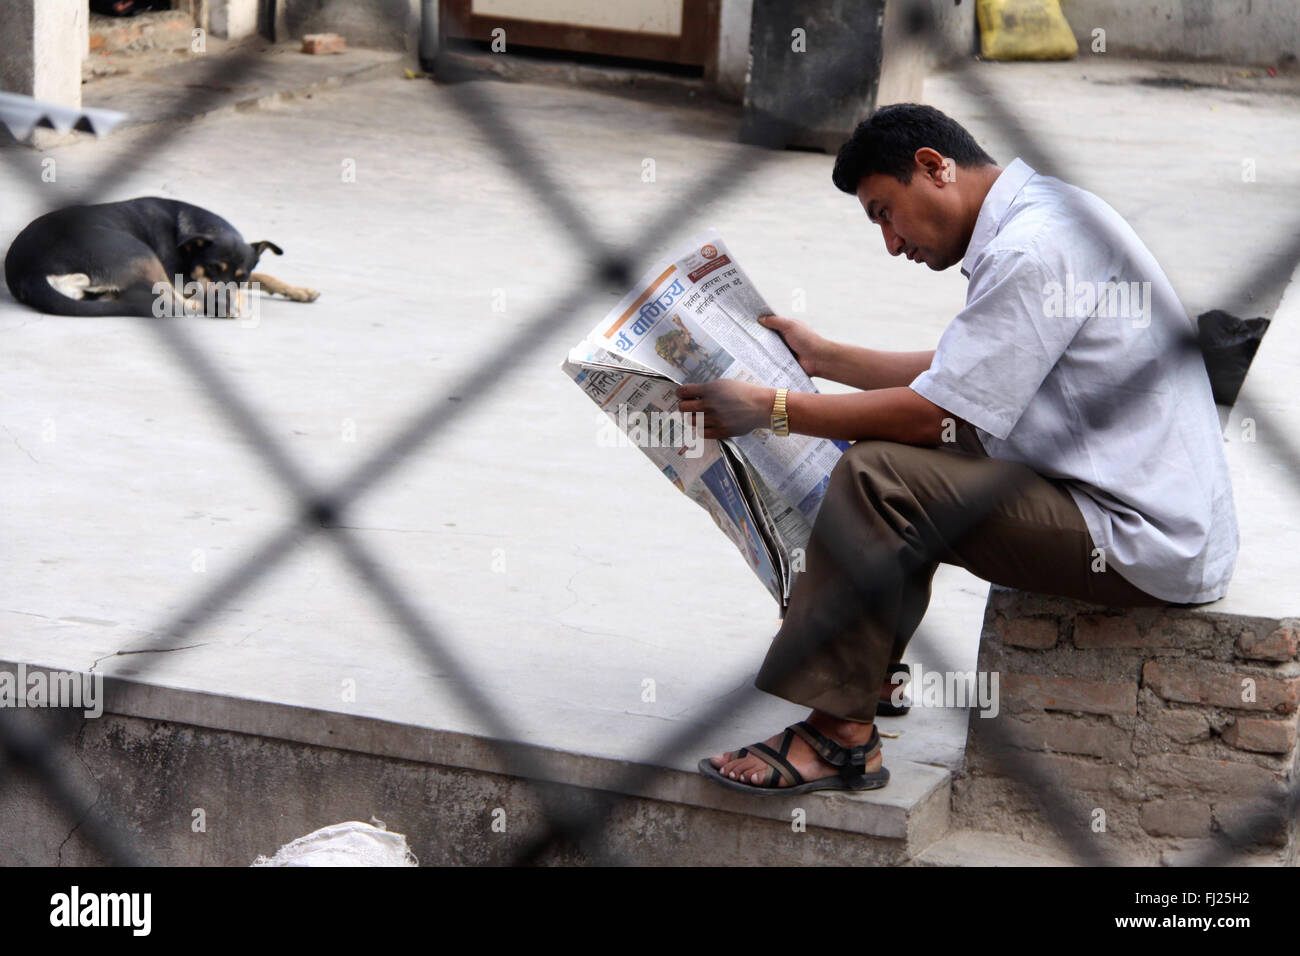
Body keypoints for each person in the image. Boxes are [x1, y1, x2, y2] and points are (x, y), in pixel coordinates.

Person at [676, 103, 1237, 795]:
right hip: (1131, 502)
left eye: (885, 212)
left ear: (933, 168)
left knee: (881, 477)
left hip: (1137, 534)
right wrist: (824, 356)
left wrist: (775, 410)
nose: (890, 241)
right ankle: (869, 670)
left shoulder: (1032, 249)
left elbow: (933, 415)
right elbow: (965, 372)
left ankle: (838, 735)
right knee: (895, 464)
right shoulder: (1047, 212)